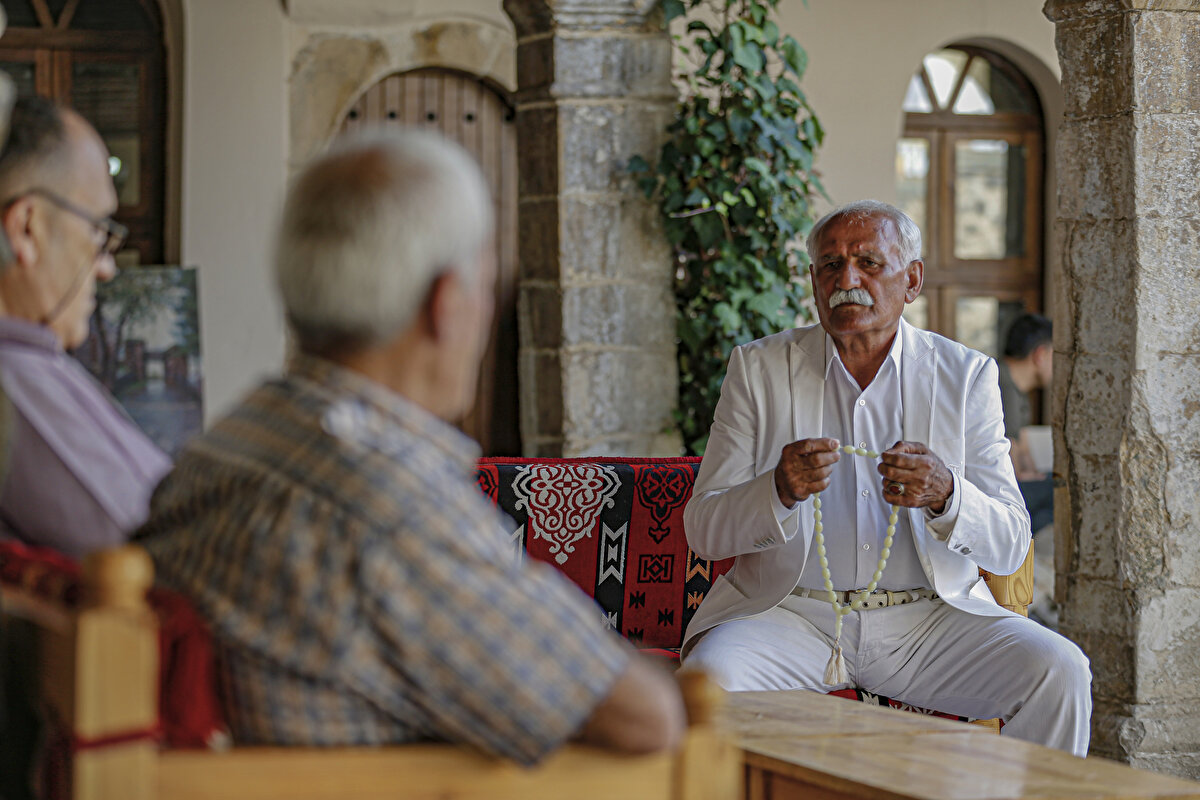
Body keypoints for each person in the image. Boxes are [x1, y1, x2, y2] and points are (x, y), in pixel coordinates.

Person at [135, 129, 685, 764]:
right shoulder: (384, 507)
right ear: (448, 305)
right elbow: (645, 719)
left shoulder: (231, 441)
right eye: (488, 286)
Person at [679, 200, 1091, 755]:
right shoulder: (758, 370)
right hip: (790, 615)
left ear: (912, 279)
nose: (847, 279)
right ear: (813, 282)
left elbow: (1011, 540)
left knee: (1059, 672)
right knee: (707, 684)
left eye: (869, 261)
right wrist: (778, 490)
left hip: (928, 622)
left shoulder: (966, 377)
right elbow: (703, 530)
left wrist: (947, 494)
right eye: (830, 265)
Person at [0, 95, 170, 559]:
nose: (106, 267)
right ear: (26, 230)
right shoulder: (16, 381)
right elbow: (172, 556)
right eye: (97, 231)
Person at [998, 313, 1054, 534]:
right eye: (1054, 356)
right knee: (1061, 491)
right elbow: (1010, 463)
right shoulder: (999, 382)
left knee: (1056, 482)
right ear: (1040, 354)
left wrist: (1034, 473)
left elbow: (1021, 446)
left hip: (1009, 488)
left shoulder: (1018, 390)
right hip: (993, 493)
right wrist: (1031, 474)